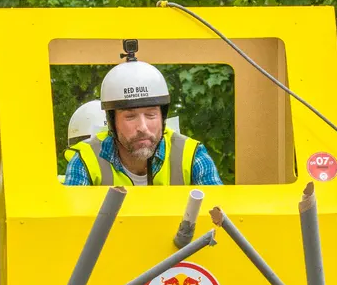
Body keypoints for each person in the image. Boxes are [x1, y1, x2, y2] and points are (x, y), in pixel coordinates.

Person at [64, 44, 222, 187]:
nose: (142, 127)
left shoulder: (192, 155)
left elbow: (219, 212)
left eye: (151, 115)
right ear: (112, 122)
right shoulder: (85, 160)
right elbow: (70, 218)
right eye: (130, 117)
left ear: (162, 117)